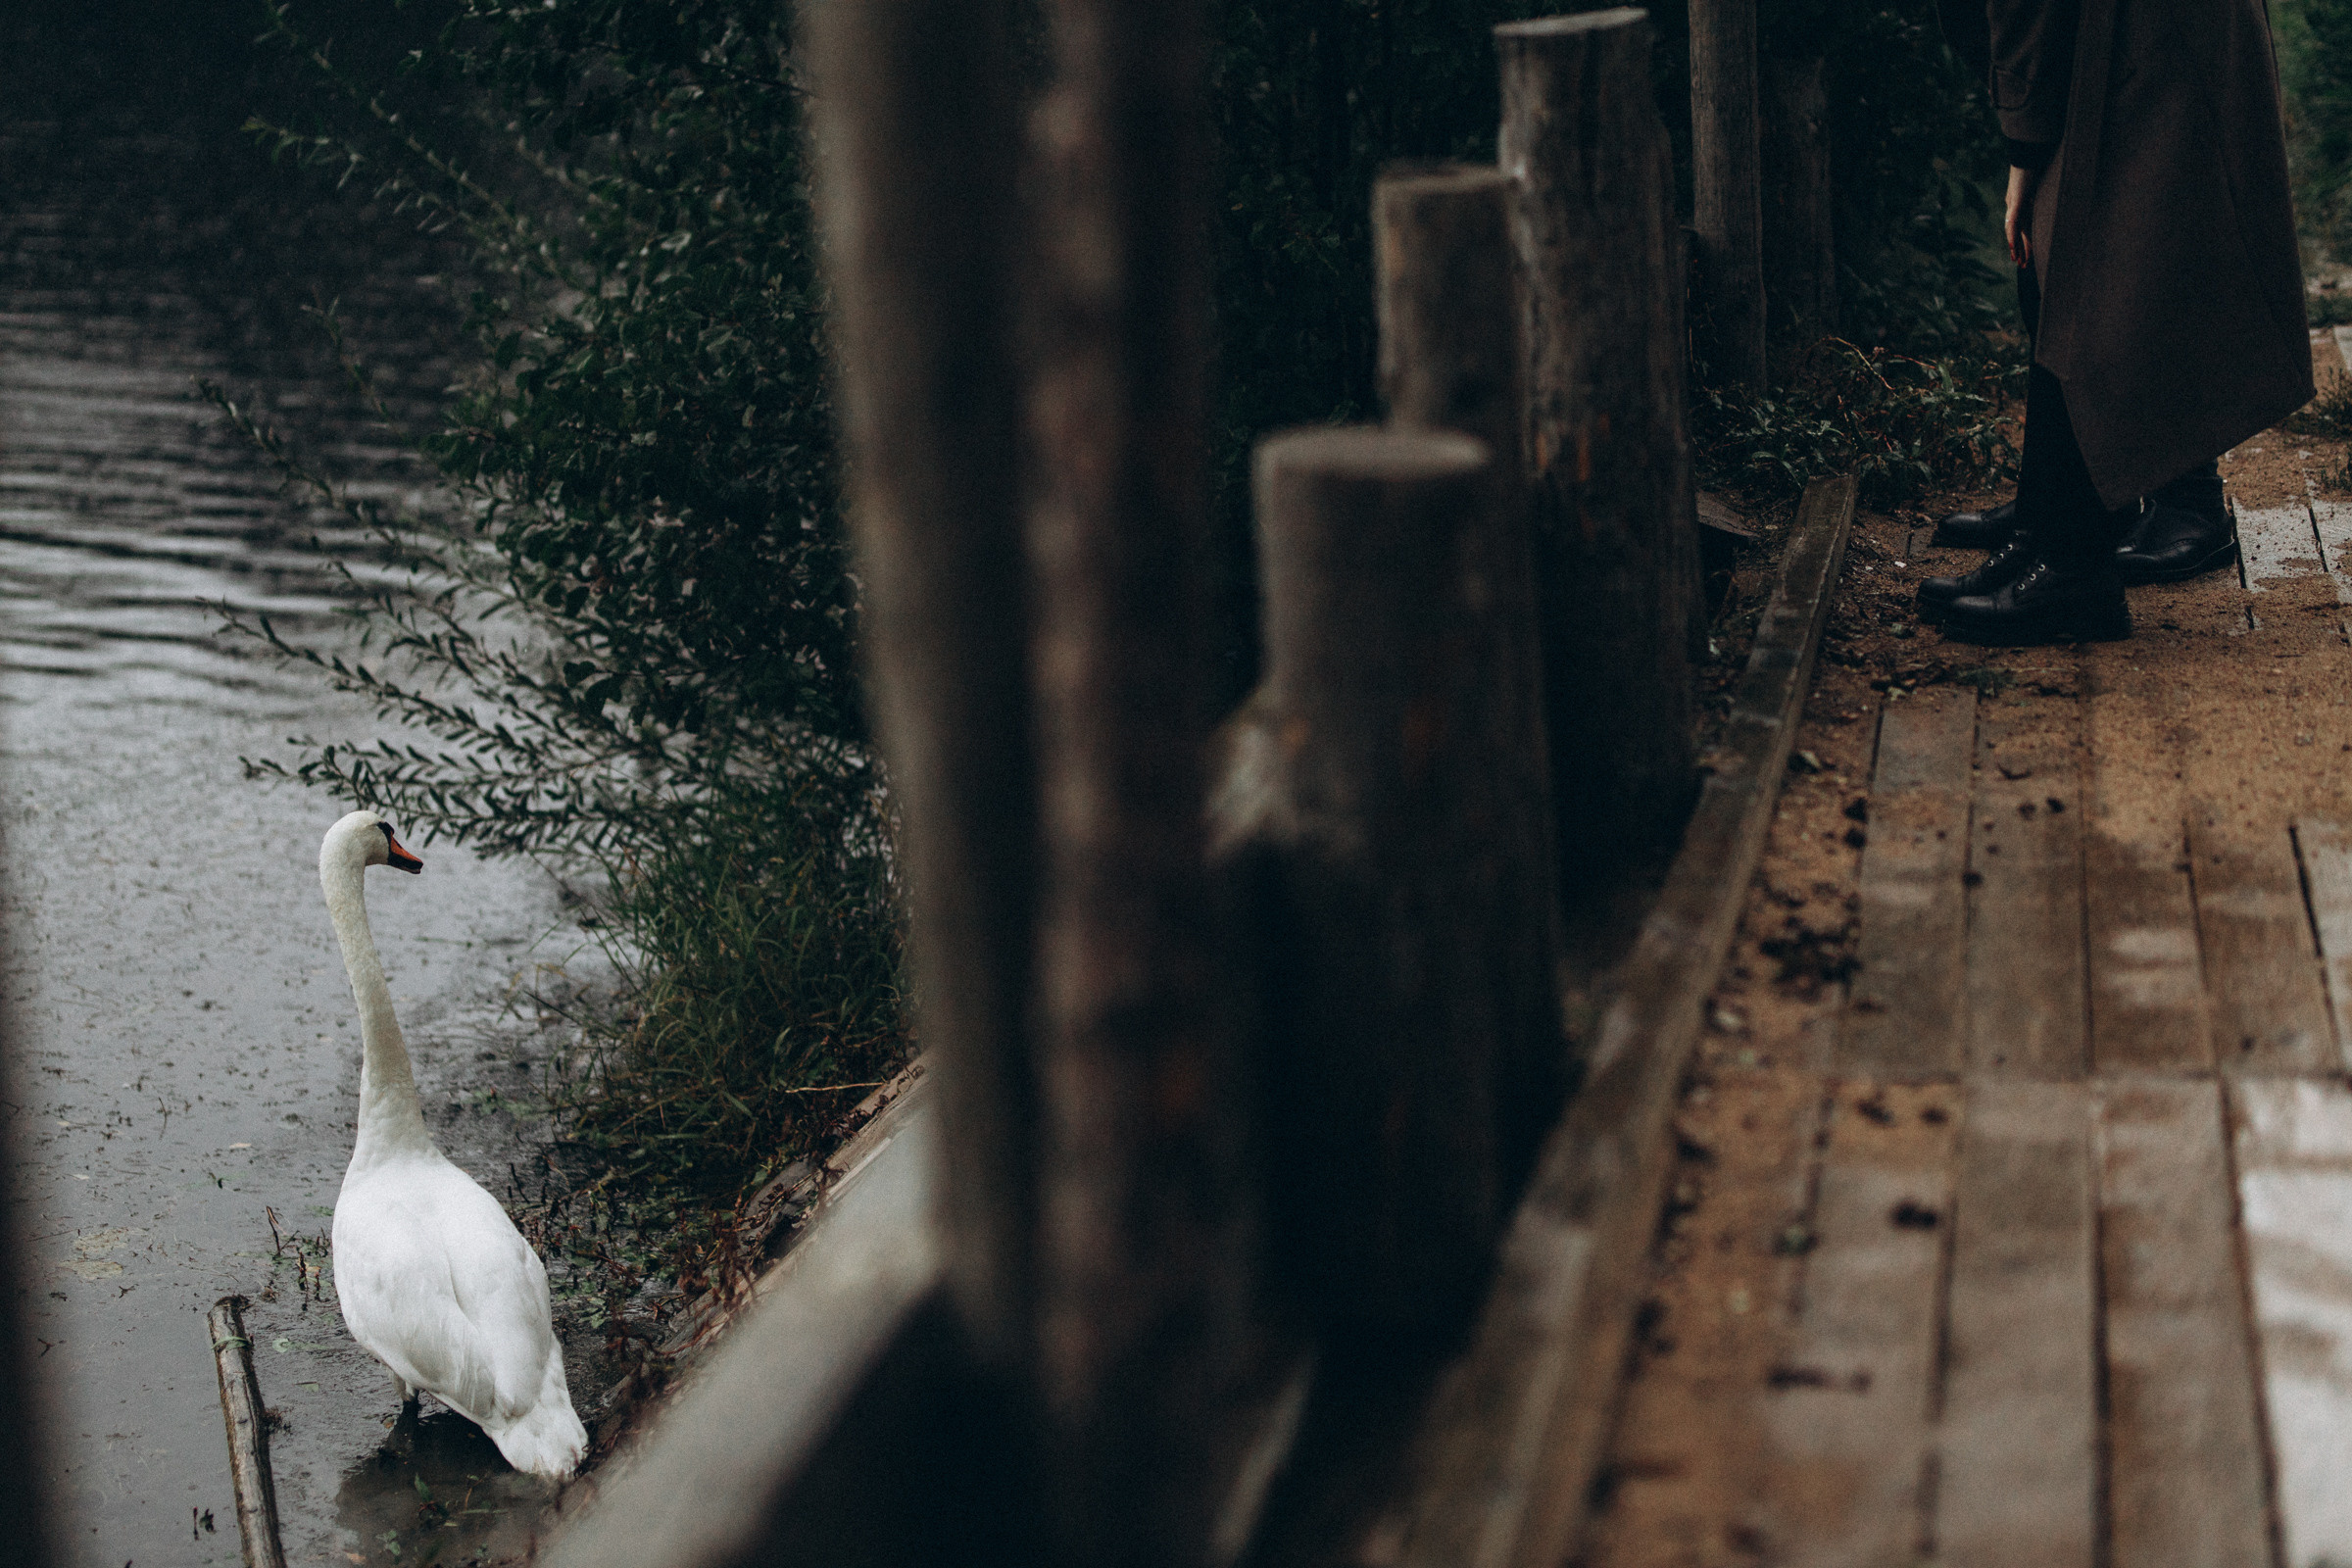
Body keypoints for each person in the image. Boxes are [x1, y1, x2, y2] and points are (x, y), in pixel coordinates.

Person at [1922, 0, 2313, 643]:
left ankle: (2074, 561)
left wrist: (2026, 144)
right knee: (2070, 259)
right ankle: (2054, 531)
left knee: (2093, 263)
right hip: (2127, 27)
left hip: (2151, 31)